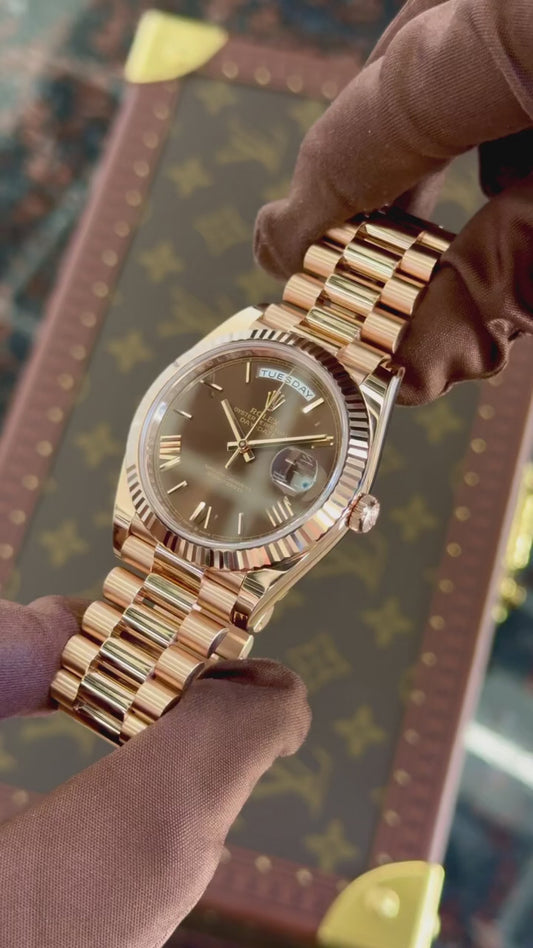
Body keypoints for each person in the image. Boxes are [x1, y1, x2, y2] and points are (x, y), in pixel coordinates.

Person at [1, 0, 532, 945]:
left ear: (346, 506)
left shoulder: (323, 437)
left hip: (232, 504)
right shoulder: (238, 360)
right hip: (175, 513)